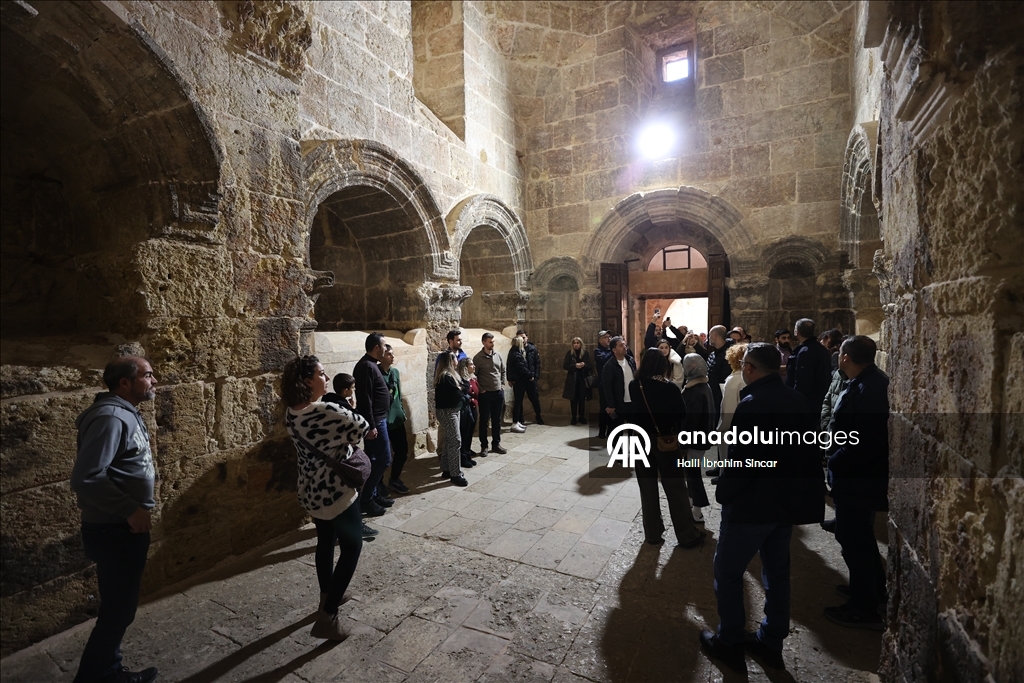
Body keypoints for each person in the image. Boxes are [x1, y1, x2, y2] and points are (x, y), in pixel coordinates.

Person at [699, 343, 824, 671]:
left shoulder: (753, 403)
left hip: (752, 504)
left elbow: (746, 460)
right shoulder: (797, 399)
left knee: (727, 573)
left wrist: (725, 490)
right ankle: (771, 639)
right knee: (777, 572)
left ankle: (729, 640)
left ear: (750, 369)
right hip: (784, 505)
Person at [70, 355, 159, 683]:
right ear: (125, 382)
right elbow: (87, 477)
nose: (154, 381)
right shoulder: (110, 417)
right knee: (117, 612)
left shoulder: (123, 413)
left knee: (119, 609)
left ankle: (110, 672)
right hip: (116, 528)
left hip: (121, 527)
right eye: (148, 376)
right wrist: (130, 510)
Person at [282, 355, 370, 641]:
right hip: (336, 491)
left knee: (324, 542)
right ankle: (328, 616)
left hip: (311, 490)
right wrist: (350, 406)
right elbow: (361, 428)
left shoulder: (292, 412)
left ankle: (327, 595)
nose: (327, 378)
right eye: (322, 373)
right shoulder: (326, 410)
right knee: (352, 546)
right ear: (307, 381)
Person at [824, 336, 890, 631]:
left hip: (858, 477)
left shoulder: (870, 388)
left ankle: (863, 607)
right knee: (858, 536)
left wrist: (834, 459)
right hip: (855, 474)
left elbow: (863, 440)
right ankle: (872, 589)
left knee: (854, 539)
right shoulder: (867, 381)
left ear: (846, 356)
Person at [628, 349, 706, 549]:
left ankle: (652, 533)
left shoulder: (635, 385)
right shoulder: (669, 387)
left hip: (640, 441)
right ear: (662, 365)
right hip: (666, 440)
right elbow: (681, 413)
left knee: (647, 488)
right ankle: (686, 534)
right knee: (675, 488)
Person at [354, 333, 394, 517]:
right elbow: (365, 399)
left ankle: (373, 494)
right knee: (385, 459)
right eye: (384, 346)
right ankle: (366, 499)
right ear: (376, 348)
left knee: (374, 461)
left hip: (379, 418)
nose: (386, 350)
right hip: (375, 421)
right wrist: (370, 426)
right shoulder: (365, 367)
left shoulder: (371, 365)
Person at [680, 354, 714, 523]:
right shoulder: (704, 386)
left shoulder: (694, 391)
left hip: (694, 440)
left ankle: (697, 510)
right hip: (701, 438)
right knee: (691, 471)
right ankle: (693, 502)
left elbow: (691, 420)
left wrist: (683, 443)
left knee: (693, 473)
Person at [434, 352, 468, 486]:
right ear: (450, 360)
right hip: (447, 412)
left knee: (449, 440)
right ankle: (455, 474)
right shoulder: (446, 377)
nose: (457, 360)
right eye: (454, 358)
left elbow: (465, 386)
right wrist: (461, 389)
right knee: (455, 441)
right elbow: (458, 394)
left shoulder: (452, 375)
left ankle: (447, 468)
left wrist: (461, 388)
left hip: (453, 410)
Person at [380, 345, 410, 495]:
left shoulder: (395, 372)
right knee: (383, 456)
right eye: (389, 354)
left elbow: (399, 392)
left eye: (393, 354)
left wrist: (402, 410)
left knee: (402, 451)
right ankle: (378, 485)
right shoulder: (377, 373)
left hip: (397, 419)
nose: (392, 357)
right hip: (384, 420)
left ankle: (394, 479)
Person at [786, 318, 833, 410]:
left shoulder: (805, 352)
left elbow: (802, 381)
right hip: (821, 398)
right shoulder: (822, 349)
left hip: (808, 403)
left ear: (797, 332)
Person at [714, 343, 747, 474]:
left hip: (731, 430)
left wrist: (721, 428)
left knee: (727, 466)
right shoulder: (748, 378)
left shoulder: (734, 380)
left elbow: (728, 409)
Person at [473, 332, 507, 455]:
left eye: (493, 342)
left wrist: (502, 384)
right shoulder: (478, 358)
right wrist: (481, 389)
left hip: (498, 393)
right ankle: (484, 446)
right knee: (484, 421)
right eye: (490, 342)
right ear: (484, 342)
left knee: (497, 420)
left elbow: (503, 370)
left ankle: (496, 444)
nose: (492, 344)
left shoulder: (498, 355)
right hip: (485, 394)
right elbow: (474, 376)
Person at [600, 336, 635, 430]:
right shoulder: (609, 366)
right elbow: (607, 387)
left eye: (624, 345)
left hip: (632, 401)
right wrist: (611, 405)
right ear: (614, 350)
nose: (624, 347)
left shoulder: (630, 360)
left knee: (633, 428)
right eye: (621, 345)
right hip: (619, 403)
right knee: (617, 429)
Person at [705, 325, 735, 424]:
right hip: (713, 394)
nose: (708, 338)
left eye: (709, 336)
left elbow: (726, 378)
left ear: (714, 336)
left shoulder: (728, 355)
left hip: (722, 396)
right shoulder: (713, 354)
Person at [516, 330, 545, 425]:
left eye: (523, 337)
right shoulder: (515, 349)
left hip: (531, 379)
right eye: (519, 338)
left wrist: (536, 376)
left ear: (527, 337)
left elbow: (537, 363)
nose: (522, 339)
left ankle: (538, 416)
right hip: (519, 379)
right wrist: (510, 378)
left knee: (535, 399)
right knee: (518, 400)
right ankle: (520, 418)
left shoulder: (532, 348)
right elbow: (510, 365)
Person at [562, 337, 593, 424]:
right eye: (574, 343)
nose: (576, 344)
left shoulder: (585, 354)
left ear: (581, 344)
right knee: (573, 399)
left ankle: (582, 416)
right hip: (573, 380)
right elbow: (565, 366)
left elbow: (590, 366)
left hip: (582, 379)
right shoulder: (570, 354)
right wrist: (575, 366)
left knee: (582, 399)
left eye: (578, 343)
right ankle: (573, 417)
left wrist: (584, 364)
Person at [457, 357, 479, 470]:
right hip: (465, 410)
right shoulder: (461, 380)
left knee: (470, 433)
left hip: (473, 408)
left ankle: (467, 454)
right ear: (465, 367)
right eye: (471, 364)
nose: (473, 366)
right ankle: (462, 457)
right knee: (464, 434)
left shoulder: (473, 379)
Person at [508, 336, 531, 433]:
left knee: (518, 402)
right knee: (517, 402)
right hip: (519, 381)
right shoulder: (516, 354)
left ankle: (517, 421)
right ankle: (515, 423)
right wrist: (530, 375)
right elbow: (521, 367)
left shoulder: (513, 352)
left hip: (518, 380)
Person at [594, 331, 615, 438]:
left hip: (613, 384)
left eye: (609, 337)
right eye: (605, 337)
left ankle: (611, 430)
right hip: (603, 384)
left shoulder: (610, 351)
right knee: (604, 408)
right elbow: (604, 359)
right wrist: (614, 350)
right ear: (600, 340)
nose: (608, 339)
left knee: (613, 408)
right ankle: (602, 430)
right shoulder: (598, 351)